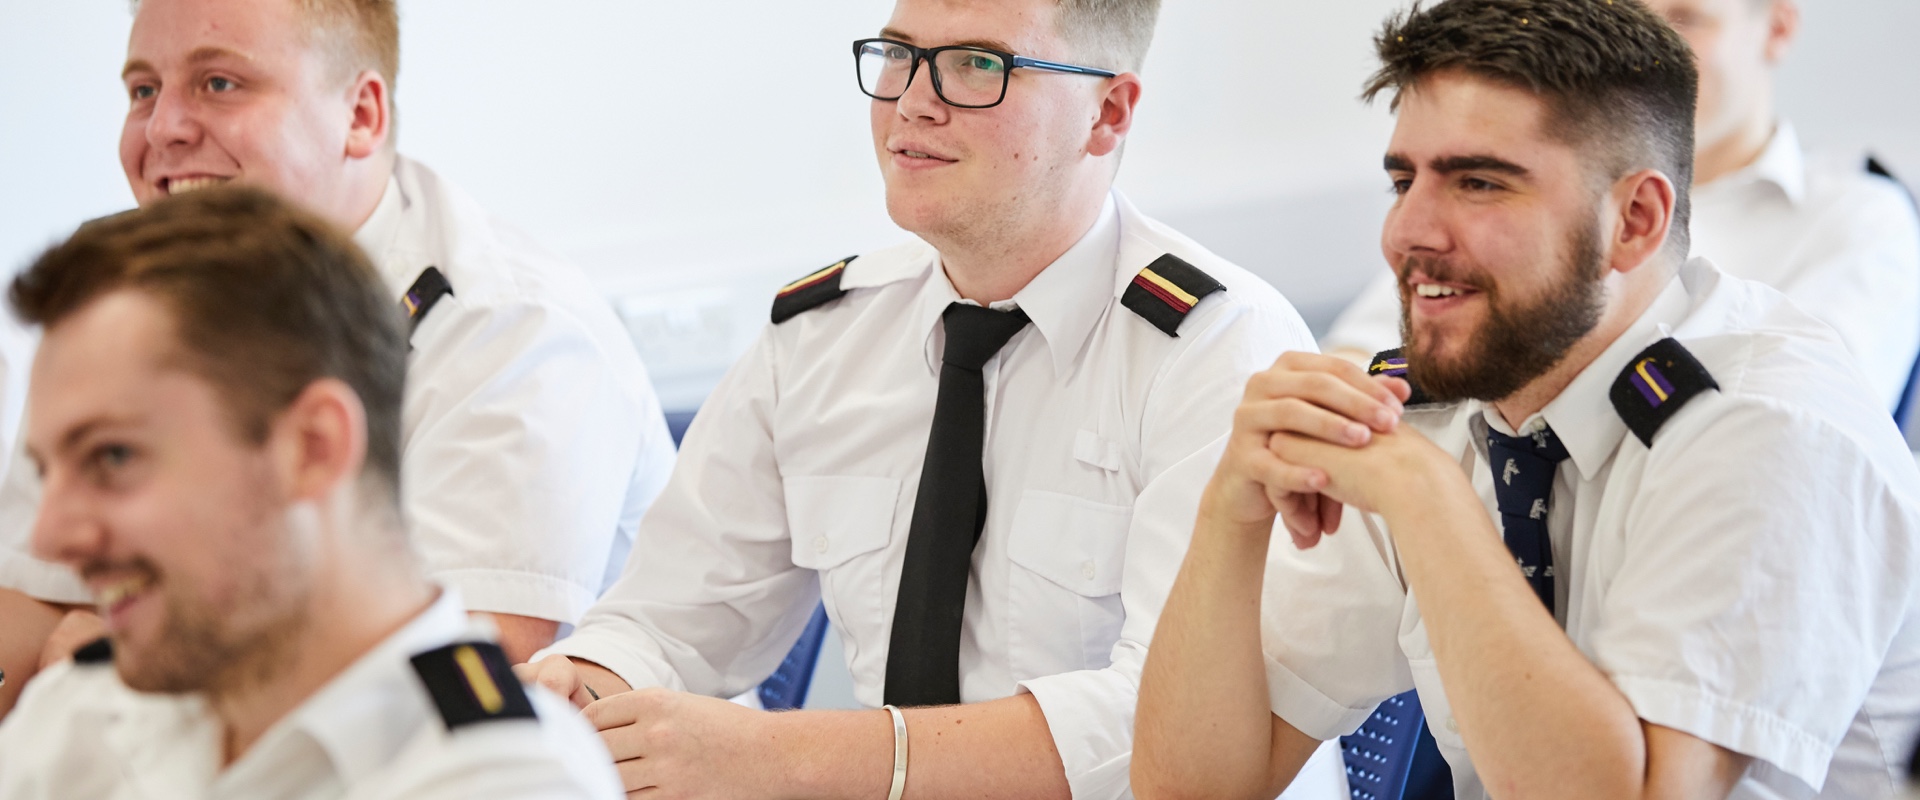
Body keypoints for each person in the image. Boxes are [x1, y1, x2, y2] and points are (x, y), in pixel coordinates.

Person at [515, 0, 1347, 797]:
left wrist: (781, 758)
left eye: (977, 65)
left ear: (1108, 113)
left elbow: (1169, 728)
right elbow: (668, 621)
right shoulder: (823, 336)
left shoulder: (1217, 350)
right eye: (900, 57)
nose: (913, 102)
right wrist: (583, 686)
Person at [1132, 1, 1920, 798]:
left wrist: (1428, 502)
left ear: (1635, 221)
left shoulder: (1766, 432)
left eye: (1478, 183)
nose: (1408, 232)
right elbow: (1197, 786)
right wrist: (1230, 514)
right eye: (1404, 180)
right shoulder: (1450, 405)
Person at [0, 0, 677, 704]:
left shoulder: (512, 328)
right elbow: (38, 596)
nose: (163, 128)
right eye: (143, 91)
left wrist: (128, 654)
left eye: (218, 83)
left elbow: (439, 675)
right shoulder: (113, 299)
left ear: (360, 116)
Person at [0, 187, 621, 799]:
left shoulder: (499, 783)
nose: (51, 538)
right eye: (47, 472)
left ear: (313, 448)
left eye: (113, 457)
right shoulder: (81, 709)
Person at [1318, 0, 1920, 413]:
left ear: (1778, 28)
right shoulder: (1519, 199)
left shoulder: (1860, 217)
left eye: (1686, 17)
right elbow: (1366, 362)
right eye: (1626, 15)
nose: (1651, 51)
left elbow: (1804, 419)